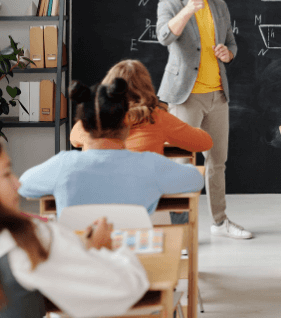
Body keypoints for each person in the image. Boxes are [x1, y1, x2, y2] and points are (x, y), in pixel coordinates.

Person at [156, 0, 251, 239]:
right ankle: (180, 230)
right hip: (185, 96)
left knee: (217, 162)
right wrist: (187, 10)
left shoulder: (219, 5)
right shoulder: (169, 3)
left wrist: (228, 54)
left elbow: (232, 43)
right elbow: (163, 36)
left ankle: (220, 222)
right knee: (182, 163)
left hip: (217, 95)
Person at [0, 141, 149, 317]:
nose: (17, 184)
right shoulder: (28, 243)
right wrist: (102, 251)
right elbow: (126, 287)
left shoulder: (64, 162)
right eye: (7, 174)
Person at [18, 78, 204, 217]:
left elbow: (23, 185)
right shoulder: (150, 165)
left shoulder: (63, 165)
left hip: (80, 259)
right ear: (126, 121)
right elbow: (196, 180)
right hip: (133, 259)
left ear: (82, 124)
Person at [69, 59, 213, 155]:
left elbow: (74, 139)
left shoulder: (95, 118)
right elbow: (205, 143)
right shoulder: (157, 118)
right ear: (146, 87)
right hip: (142, 196)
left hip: (98, 195)